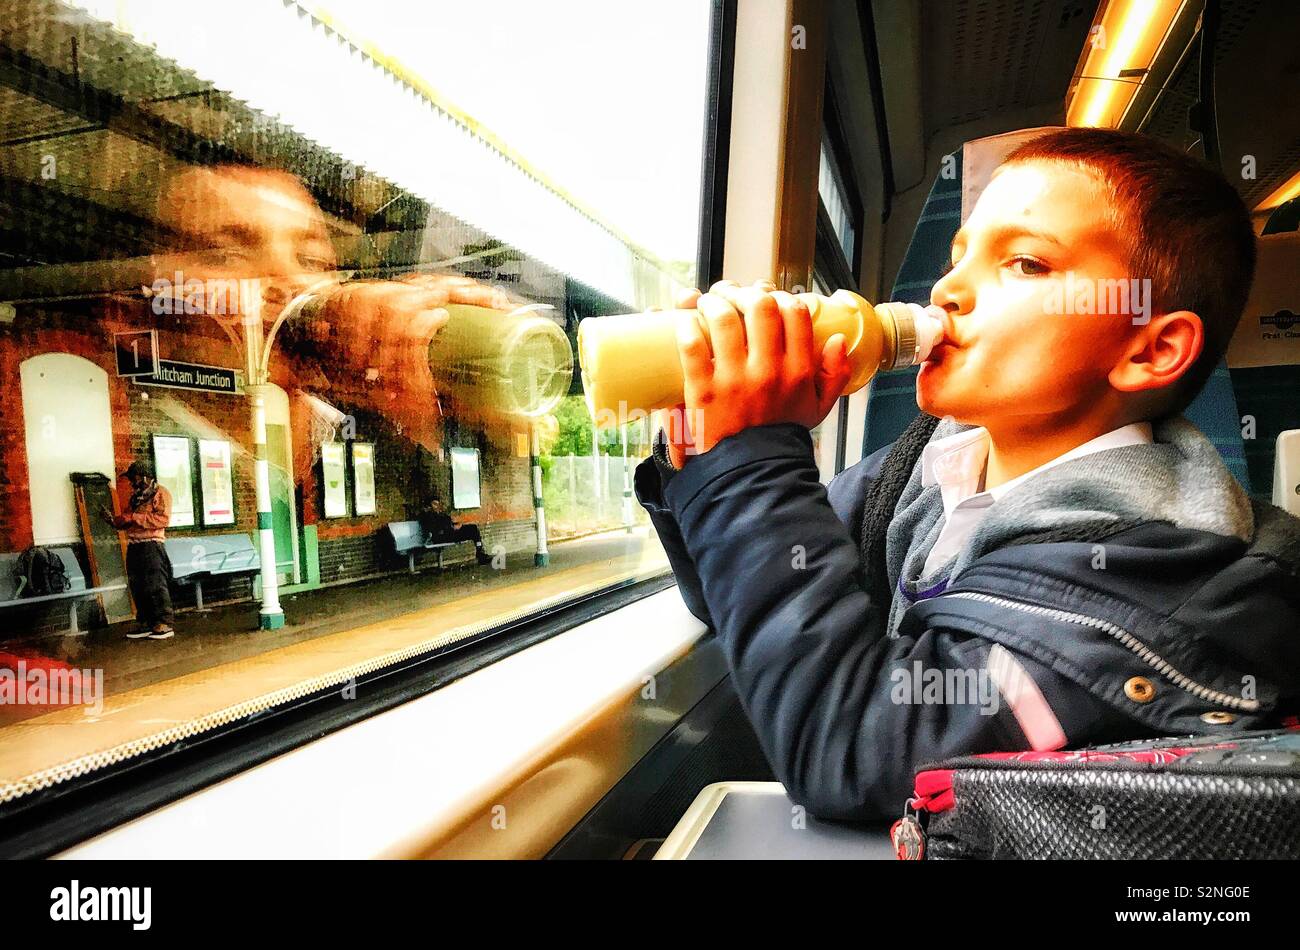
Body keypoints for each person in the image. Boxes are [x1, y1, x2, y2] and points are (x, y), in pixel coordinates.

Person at [634, 127, 1300, 821]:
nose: (948, 288)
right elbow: (743, 590)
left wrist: (752, 455)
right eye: (958, 258)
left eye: (1025, 264)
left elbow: (858, 749)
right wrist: (702, 435)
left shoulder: (1140, 599)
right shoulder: (935, 467)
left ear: (1149, 347)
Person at [103, 460, 176, 640]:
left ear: (144, 476)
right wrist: (115, 521)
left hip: (152, 545)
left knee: (155, 584)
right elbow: (129, 519)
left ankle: (164, 623)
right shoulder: (136, 497)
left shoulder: (161, 493)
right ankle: (145, 622)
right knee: (138, 585)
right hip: (135, 545)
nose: (131, 482)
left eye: (133, 477)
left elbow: (163, 519)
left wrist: (134, 517)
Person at [419, 500, 493, 566]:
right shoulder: (428, 516)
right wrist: (451, 528)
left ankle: (480, 551)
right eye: (434, 504)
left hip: (450, 533)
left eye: (438, 504)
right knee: (469, 531)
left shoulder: (440, 514)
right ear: (429, 505)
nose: (437, 506)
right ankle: (481, 555)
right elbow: (435, 528)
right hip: (441, 536)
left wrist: (456, 525)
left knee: (473, 528)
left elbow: (448, 522)